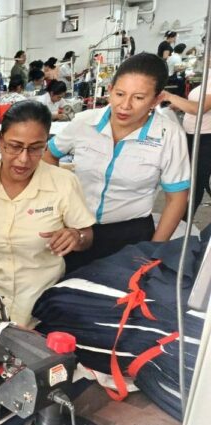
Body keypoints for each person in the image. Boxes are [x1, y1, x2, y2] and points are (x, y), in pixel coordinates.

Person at [0, 100, 95, 329]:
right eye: (14, 146)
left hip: (42, 311)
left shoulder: (64, 184)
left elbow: (87, 235)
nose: (23, 159)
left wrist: (77, 236)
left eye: (36, 148)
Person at [45, 52, 190, 272]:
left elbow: (177, 199)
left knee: (122, 298)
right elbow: (50, 154)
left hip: (130, 235)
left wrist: (152, 251)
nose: (125, 105)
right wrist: (56, 202)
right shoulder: (85, 123)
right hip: (78, 229)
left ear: (157, 99)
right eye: (120, 94)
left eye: (139, 98)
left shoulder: (168, 135)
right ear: (110, 90)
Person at [162, 77, 211, 215]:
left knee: (196, 182)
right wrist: (177, 105)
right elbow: (196, 103)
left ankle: (182, 220)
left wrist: (169, 96)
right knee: (188, 179)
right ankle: (180, 218)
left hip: (205, 138)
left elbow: (199, 108)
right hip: (192, 135)